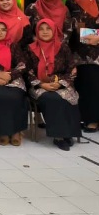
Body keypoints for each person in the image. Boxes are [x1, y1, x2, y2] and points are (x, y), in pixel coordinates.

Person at [26, 19, 81, 151]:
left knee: (68, 97)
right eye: (41, 29)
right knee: (52, 98)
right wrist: (42, 85)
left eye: (48, 29)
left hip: (61, 83)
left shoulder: (63, 47)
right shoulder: (31, 48)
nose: (45, 32)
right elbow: (28, 71)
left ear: (54, 30)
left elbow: (72, 69)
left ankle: (69, 133)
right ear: (36, 31)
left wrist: (60, 84)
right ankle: (59, 136)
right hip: (39, 85)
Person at [65, 0, 99, 133]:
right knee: (80, 85)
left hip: (96, 52)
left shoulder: (98, 0)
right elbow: (68, 25)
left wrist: (97, 37)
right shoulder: (70, 2)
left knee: (93, 85)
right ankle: (82, 117)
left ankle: (93, 119)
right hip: (77, 51)